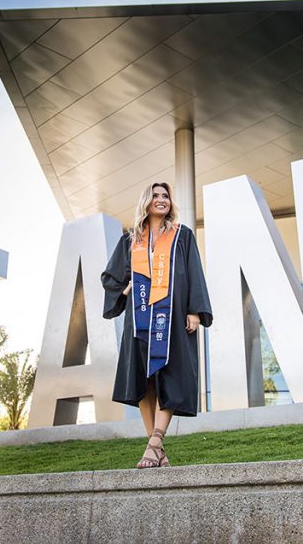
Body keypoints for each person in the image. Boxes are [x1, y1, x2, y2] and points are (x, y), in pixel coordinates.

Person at [101, 182, 213, 468]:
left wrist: (195, 311)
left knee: (170, 375)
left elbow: (194, 272)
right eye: (156, 195)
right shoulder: (131, 240)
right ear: (146, 202)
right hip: (139, 319)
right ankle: (156, 449)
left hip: (172, 317)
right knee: (144, 380)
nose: (161, 200)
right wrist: (124, 290)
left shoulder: (181, 236)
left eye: (166, 196)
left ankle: (154, 442)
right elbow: (111, 277)